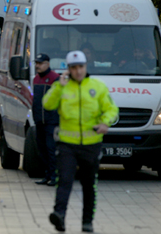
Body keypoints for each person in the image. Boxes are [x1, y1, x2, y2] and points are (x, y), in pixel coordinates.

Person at [43, 50, 119, 233]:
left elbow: (112, 109)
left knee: (88, 184)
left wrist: (105, 122)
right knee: (65, 180)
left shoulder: (98, 87)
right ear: (68, 69)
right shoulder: (62, 86)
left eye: (81, 67)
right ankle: (59, 215)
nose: (78, 71)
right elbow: (47, 104)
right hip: (67, 144)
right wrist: (59, 86)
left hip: (91, 145)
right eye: (74, 68)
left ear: (86, 67)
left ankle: (87, 221)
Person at [32, 53, 60, 186]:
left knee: (51, 149)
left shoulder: (55, 79)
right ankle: (47, 175)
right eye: (36, 63)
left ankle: (54, 176)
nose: (37, 66)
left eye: (40, 63)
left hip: (52, 121)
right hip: (39, 120)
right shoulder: (36, 79)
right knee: (41, 148)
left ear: (47, 64)